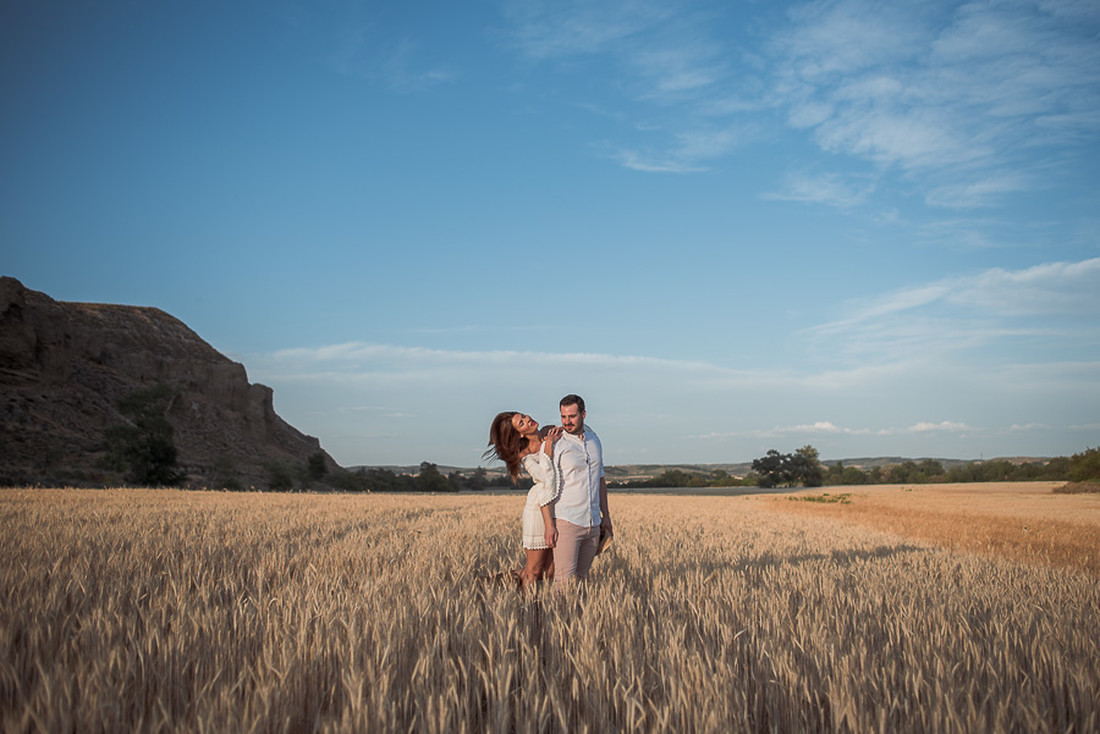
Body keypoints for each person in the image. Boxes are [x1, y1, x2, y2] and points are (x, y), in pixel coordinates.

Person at [484, 411, 561, 590]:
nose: (528, 420)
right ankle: (527, 611)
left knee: (551, 571)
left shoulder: (549, 431)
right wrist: (548, 447)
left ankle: (500, 581)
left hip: (556, 504)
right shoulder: (523, 453)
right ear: (520, 433)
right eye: (522, 423)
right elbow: (544, 476)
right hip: (538, 508)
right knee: (534, 571)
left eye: (525, 416)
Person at [551, 394, 612, 587]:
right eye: (563, 417)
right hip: (567, 521)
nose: (567, 422)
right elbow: (547, 484)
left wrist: (606, 516)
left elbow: (600, 480)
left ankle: (578, 617)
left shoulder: (595, 441)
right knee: (563, 583)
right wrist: (549, 524)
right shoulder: (556, 444)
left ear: (583, 414)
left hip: (593, 523)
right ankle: (558, 617)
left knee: (582, 580)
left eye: (572, 416)